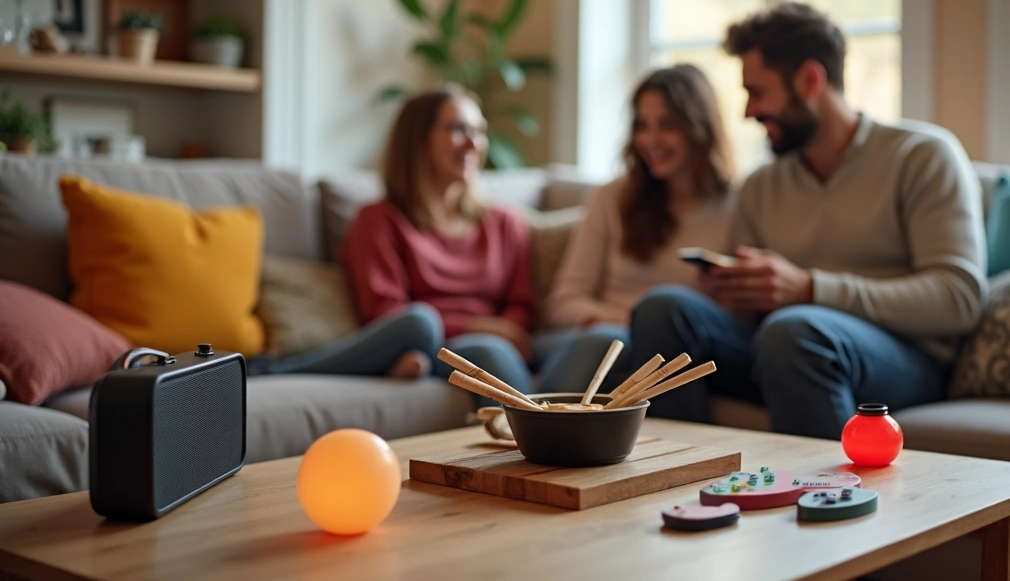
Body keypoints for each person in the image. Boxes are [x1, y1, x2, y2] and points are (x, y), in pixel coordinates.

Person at [627, 1, 987, 439]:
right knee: (662, 309)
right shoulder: (762, 184)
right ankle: (676, 478)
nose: (748, 112)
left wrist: (810, 288)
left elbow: (959, 298)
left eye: (758, 93)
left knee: (794, 330)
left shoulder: (921, 156)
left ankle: (825, 499)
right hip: (786, 350)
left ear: (810, 80)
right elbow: (745, 316)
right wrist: (737, 289)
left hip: (902, 360)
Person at [250, 85, 536, 403]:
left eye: (478, 131)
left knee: (596, 343)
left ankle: (565, 434)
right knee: (422, 323)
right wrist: (479, 326)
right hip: (438, 343)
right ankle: (277, 372)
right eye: (457, 129)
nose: (473, 143)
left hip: (499, 344)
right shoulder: (379, 220)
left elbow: (521, 303)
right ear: (417, 139)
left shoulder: (505, 223)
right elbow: (386, 313)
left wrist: (508, 328)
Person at [533, 65, 737, 394]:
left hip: (681, 348)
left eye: (667, 125)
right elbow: (563, 302)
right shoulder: (611, 197)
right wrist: (633, 323)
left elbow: (731, 315)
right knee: (605, 342)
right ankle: (537, 433)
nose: (651, 140)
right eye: (642, 125)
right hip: (599, 338)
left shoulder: (737, 206)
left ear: (699, 127)